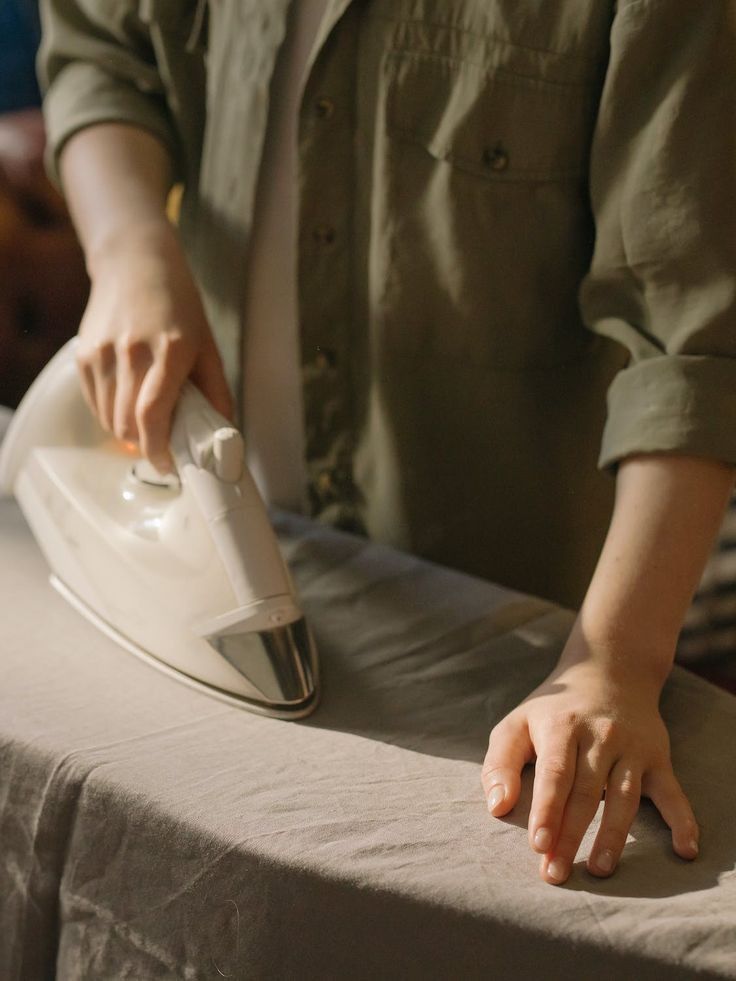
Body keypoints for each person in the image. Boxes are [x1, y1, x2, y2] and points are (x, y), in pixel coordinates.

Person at [38, 0, 736, 885]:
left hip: (516, 638)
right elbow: (102, 52)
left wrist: (616, 663)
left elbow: (690, 342)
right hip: (242, 522)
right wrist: (131, 246)